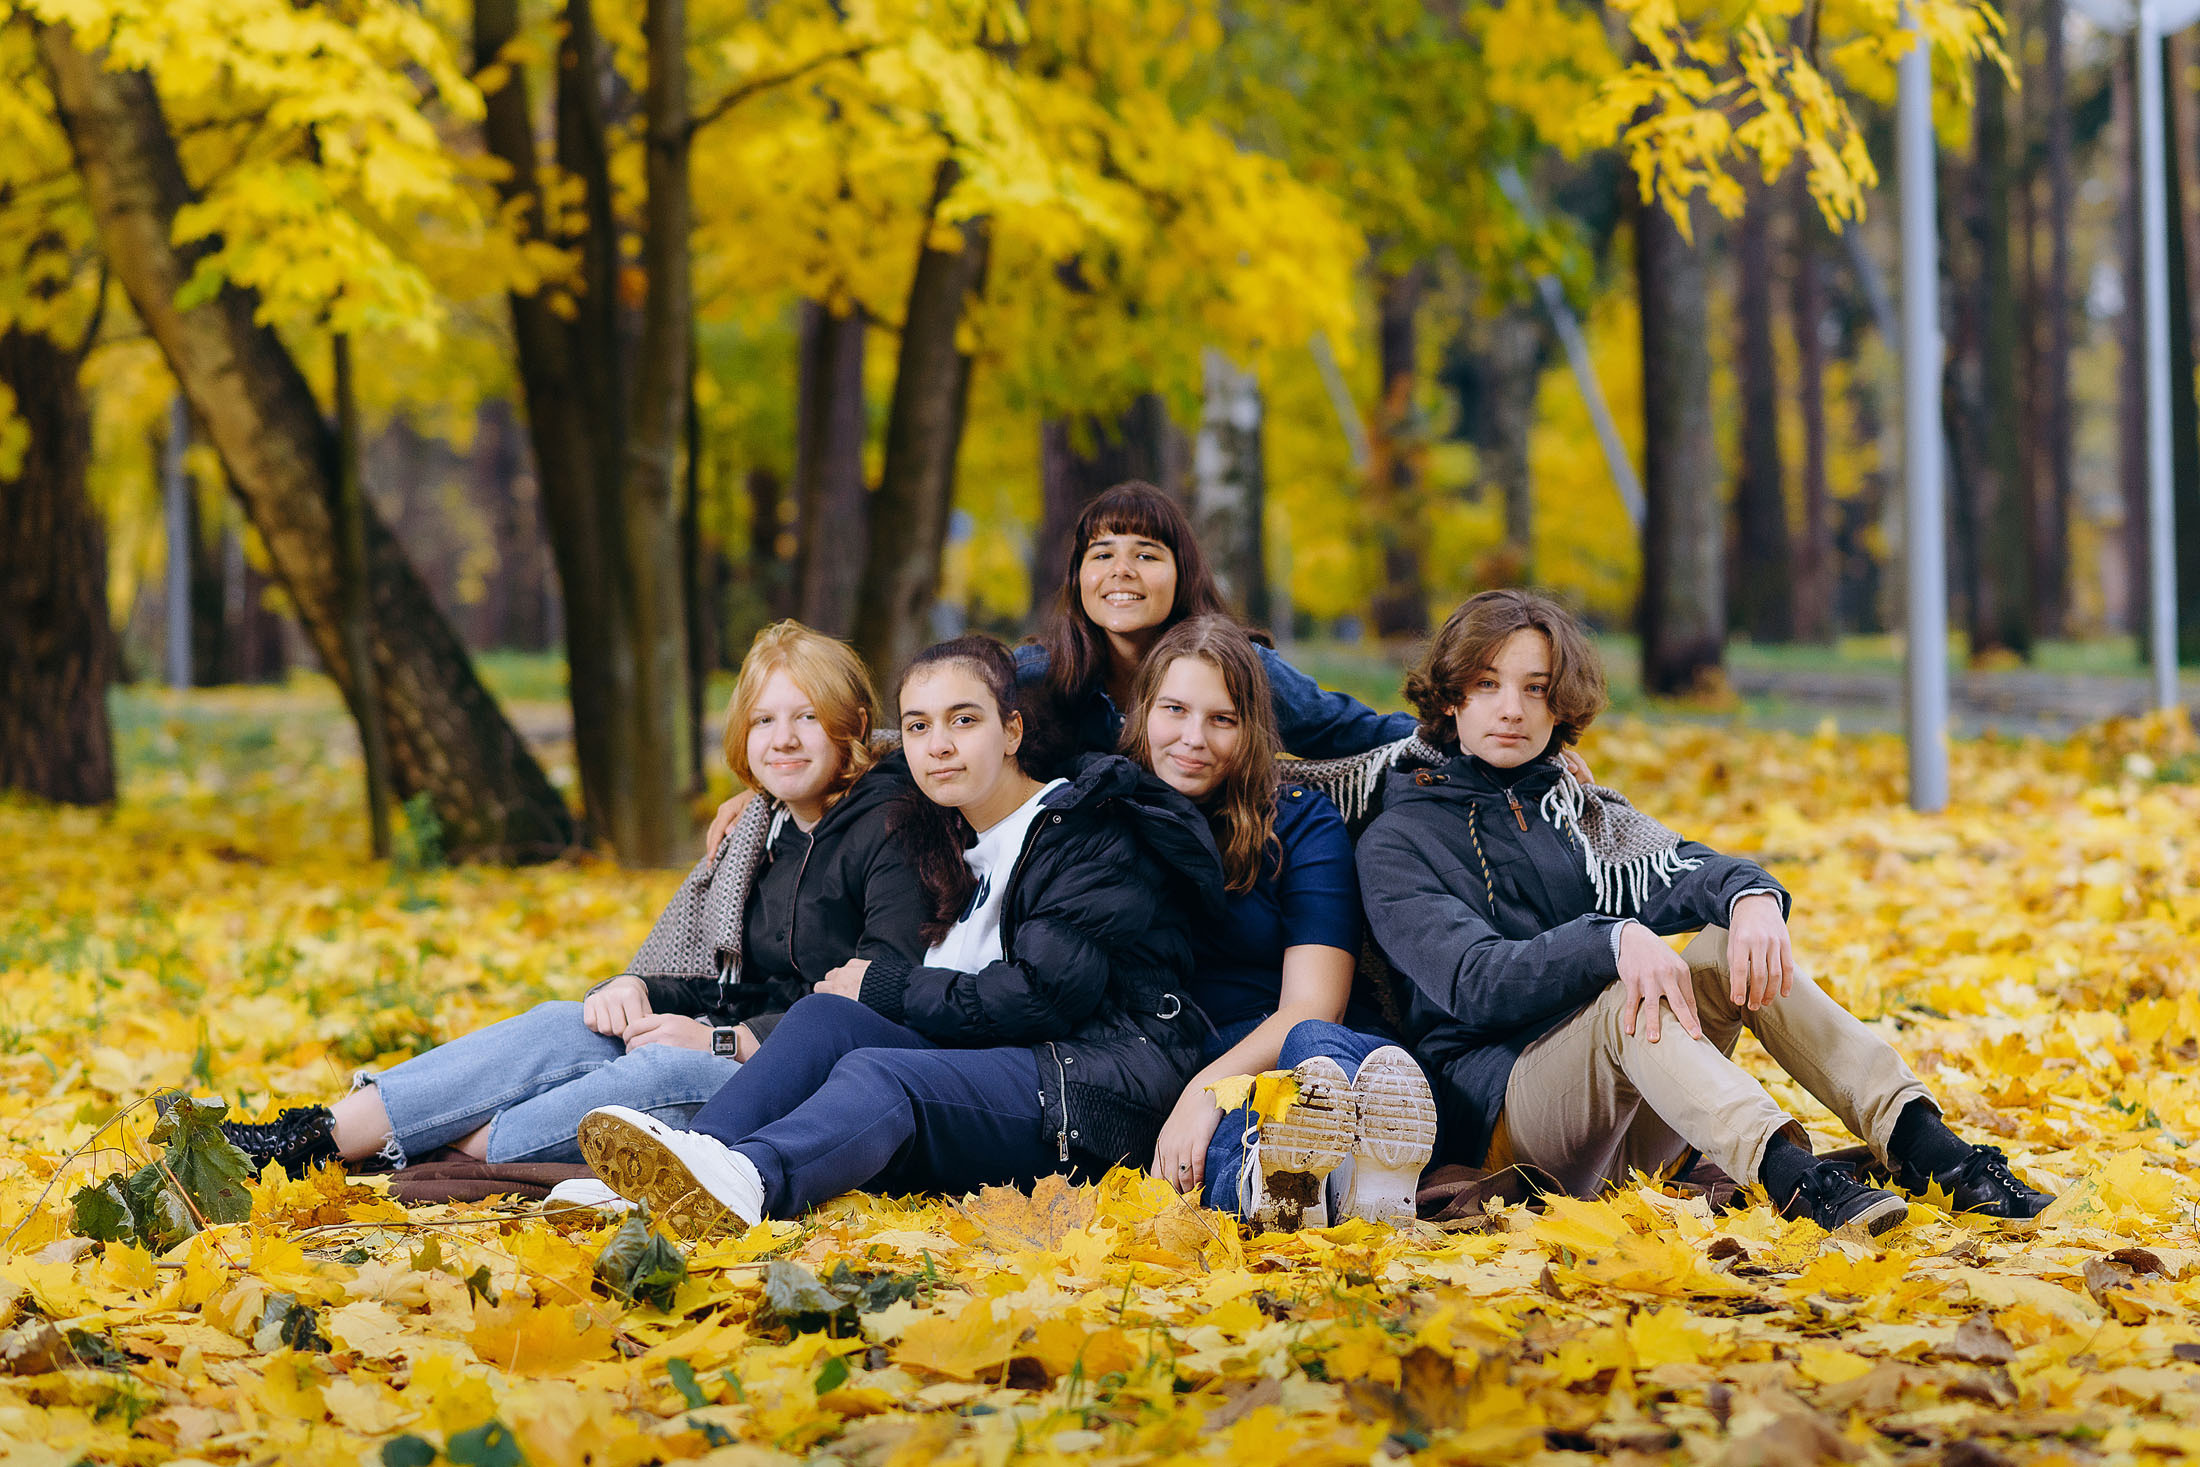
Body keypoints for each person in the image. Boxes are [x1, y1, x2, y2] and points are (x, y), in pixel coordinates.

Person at [1356, 590, 2054, 1233]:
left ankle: (1931, 1149)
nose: (1511, 708)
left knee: (1724, 943)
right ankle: (1791, 1179)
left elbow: (1685, 869)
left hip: (1634, 1115)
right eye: (1487, 684)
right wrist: (1610, 940)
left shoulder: (1574, 809)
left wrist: (1751, 897)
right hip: (1508, 1118)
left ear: (1559, 705)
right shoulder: (1398, 836)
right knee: (1631, 997)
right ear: (1450, 698)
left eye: (1535, 688)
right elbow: (1476, 982)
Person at [218, 622, 927, 1177]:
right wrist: (633, 986)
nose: (783, 739)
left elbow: (875, 1000)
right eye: (765, 720)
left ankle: (462, 1141)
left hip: (801, 1079)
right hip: (729, 1035)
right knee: (567, 1024)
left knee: (665, 1068)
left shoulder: (892, 827)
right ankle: (312, 1135)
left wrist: (723, 1039)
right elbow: (726, 975)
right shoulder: (764, 831)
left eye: (806, 717)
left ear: (853, 724)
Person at [574, 635, 1225, 1235]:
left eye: (964, 719)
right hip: (996, 1064)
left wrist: (885, 984)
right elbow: (851, 759)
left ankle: (749, 1180)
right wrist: (757, 793)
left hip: (1090, 1088)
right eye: (919, 725)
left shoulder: (1086, 833)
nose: (938, 744)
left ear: (1011, 729)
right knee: (827, 1016)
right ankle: (695, 1164)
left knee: (879, 1070)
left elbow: (1042, 996)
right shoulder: (944, 819)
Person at [697, 482, 1419, 858]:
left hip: (1216, 879)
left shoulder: (1242, 670)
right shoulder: (1039, 673)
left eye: (1146, 552)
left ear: (1182, 570)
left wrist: (1473, 744)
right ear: (1076, 575)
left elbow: (1361, 731)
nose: (1122, 571)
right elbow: (926, 731)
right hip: (1090, 890)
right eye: (1100, 554)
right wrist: (765, 789)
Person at [1128, 618, 1438, 1230]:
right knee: (1236, 1136)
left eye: (1223, 719)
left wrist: (1206, 1088)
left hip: (1308, 1044)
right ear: (1140, 714)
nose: (1194, 738)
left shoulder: (1299, 824)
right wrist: (1203, 1091)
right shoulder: (1105, 816)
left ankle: (1366, 1162)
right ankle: (1310, 1186)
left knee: (1310, 1058)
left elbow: (1314, 1006)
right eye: (1175, 710)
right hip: (1190, 1060)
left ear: (1253, 731)